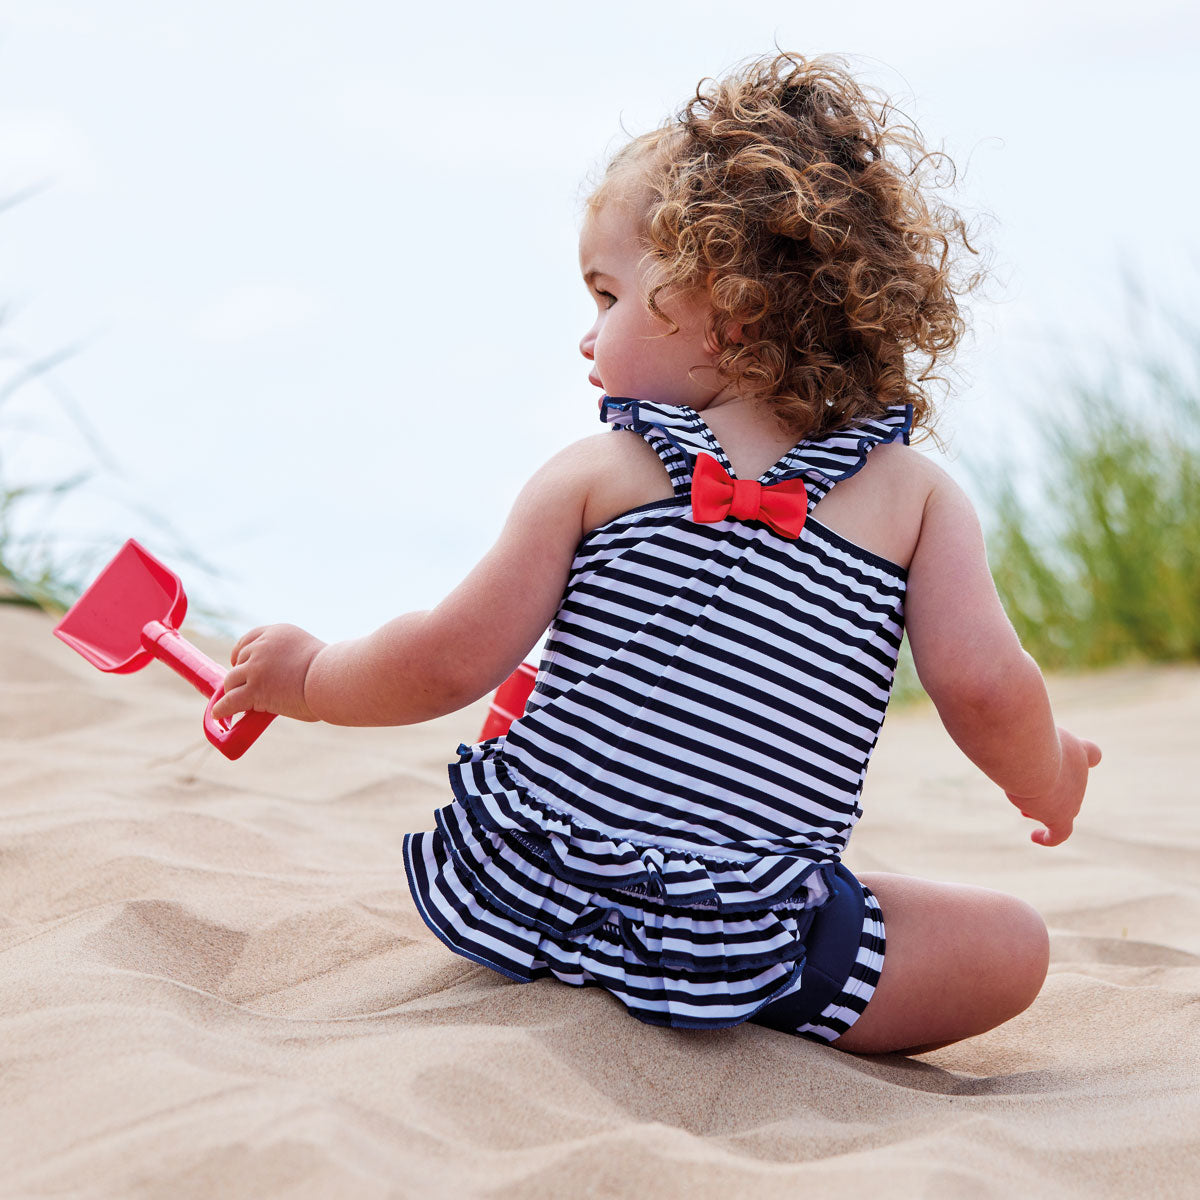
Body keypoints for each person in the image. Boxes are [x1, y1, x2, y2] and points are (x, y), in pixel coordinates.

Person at [212, 51, 1101, 1056]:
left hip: (537, 888)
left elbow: (447, 659)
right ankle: (729, 981)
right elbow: (985, 686)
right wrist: (1050, 776)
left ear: (724, 305)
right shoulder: (917, 499)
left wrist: (312, 677)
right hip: (745, 941)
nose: (587, 339)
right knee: (1011, 947)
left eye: (607, 296)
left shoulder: (604, 471)